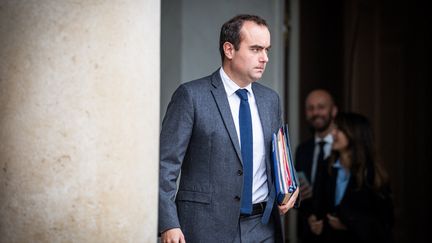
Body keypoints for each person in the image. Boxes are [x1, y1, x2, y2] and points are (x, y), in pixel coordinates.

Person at [158, 14, 299, 243]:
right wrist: (169, 223)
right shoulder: (191, 96)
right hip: (206, 228)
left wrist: (290, 189)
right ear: (229, 49)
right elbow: (165, 166)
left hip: (263, 227)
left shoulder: (270, 100)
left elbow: (279, 159)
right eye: (255, 49)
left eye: (267, 50)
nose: (264, 58)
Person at [316, 112, 394, 243]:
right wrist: (316, 221)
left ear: (354, 134)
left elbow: (385, 224)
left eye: (339, 129)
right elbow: (320, 208)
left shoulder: (372, 174)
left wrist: (348, 225)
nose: (332, 134)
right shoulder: (326, 167)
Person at [295, 89, 338, 242]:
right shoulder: (302, 150)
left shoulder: (345, 149)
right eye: (310, 108)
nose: (315, 113)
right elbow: (299, 194)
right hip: (308, 234)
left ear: (333, 111)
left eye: (321, 107)